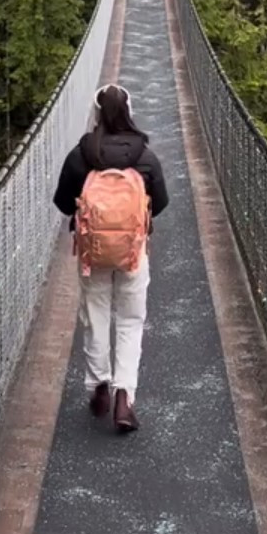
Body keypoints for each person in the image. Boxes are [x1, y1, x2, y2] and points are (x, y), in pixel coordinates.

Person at [53, 84, 169, 432]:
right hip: (133, 253)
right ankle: (124, 397)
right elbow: (160, 203)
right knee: (131, 321)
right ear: (129, 112)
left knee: (96, 315)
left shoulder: (81, 154)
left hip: (92, 253)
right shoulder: (144, 156)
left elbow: (62, 202)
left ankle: (98, 386)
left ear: (97, 113)